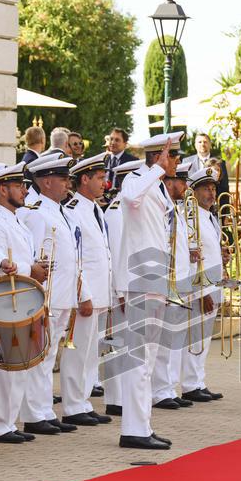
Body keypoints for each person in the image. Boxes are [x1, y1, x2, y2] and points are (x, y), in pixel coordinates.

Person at [114, 132, 183, 450]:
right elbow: (128, 198)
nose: (177, 164)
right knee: (139, 359)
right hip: (141, 280)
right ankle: (133, 430)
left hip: (154, 281)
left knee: (148, 360)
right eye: (174, 157)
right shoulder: (138, 180)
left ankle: (140, 426)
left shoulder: (155, 186)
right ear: (161, 156)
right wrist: (156, 168)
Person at [20, 153, 91, 433]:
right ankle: (34, 414)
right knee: (40, 356)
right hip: (46, 296)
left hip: (63, 295)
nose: (67, 184)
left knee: (49, 357)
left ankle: (44, 410)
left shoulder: (60, 211)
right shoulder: (36, 212)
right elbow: (37, 258)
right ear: (46, 182)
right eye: (62, 179)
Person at [0, 161, 52, 440]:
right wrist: (30, 270)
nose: (24, 190)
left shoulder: (16, 219)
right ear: (2, 190)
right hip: (5, 298)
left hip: (23, 297)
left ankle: (9, 422)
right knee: (3, 366)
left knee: (19, 364)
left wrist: (37, 266)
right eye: (17, 186)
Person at [62, 153, 114, 425]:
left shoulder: (95, 208)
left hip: (100, 292)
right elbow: (76, 257)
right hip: (86, 294)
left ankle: (82, 402)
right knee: (77, 350)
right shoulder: (72, 209)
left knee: (91, 351)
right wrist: (83, 293)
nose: (105, 184)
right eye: (100, 178)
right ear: (84, 179)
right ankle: (72, 406)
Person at [100, 158, 144, 417]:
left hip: (129, 287)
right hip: (123, 290)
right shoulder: (117, 211)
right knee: (118, 345)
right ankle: (116, 398)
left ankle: (122, 397)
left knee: (127, 345)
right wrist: (120, 292)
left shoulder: (125, 209)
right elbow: (117, 254)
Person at [180, 167, 226, 402]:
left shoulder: (210, 215)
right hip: (201, 286)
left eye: (213, 188)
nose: (211, 192)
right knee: (195, 337)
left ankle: (198, 380)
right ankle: (190, 384)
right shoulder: (191, 217)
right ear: (194, 191)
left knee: (204, 336)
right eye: (205, 188)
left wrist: (223, 256)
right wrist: (202, 292)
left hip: (214, 282)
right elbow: (192, 258)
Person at [151, 161, 195, 410]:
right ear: (170, 182)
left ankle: (167, 387)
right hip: (165, 282)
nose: (186, 186)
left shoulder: (174, 208)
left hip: (178, 282)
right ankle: (159, 391)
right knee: (161, 343)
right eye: (182, 181)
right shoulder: (163, 209)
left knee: (172, 341)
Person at [184, 133, 229, 200]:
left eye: (205, 142)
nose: (202, 144)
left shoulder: (220, 163)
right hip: (193, 205)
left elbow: (224, 188)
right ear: (195, 145)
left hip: (214, 206)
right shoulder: (186, 162)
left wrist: (225, 210)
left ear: (210, 144)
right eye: (199, 142)